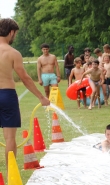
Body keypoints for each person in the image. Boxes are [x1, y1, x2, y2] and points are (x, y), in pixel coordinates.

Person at [0, 18, 50, 168]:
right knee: (9, 138)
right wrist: (41, 97)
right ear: (11, 32)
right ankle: (11, 174)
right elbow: (25, 78)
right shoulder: (13, 53)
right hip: (6, 95)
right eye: (15, 34)